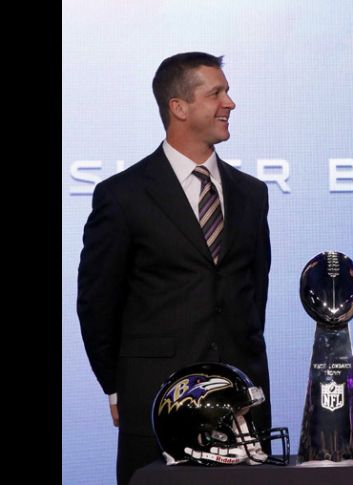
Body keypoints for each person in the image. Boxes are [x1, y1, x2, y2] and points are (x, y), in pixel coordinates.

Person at [77, 52, 273, 485]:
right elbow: (96, 303)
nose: (230, 103)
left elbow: (253, 292)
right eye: (216, 93)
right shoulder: (122, 196)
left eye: (228, 91)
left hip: (243, 406)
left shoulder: (251, 194)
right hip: (154, 404)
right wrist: (116, 386)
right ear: (178, 107)